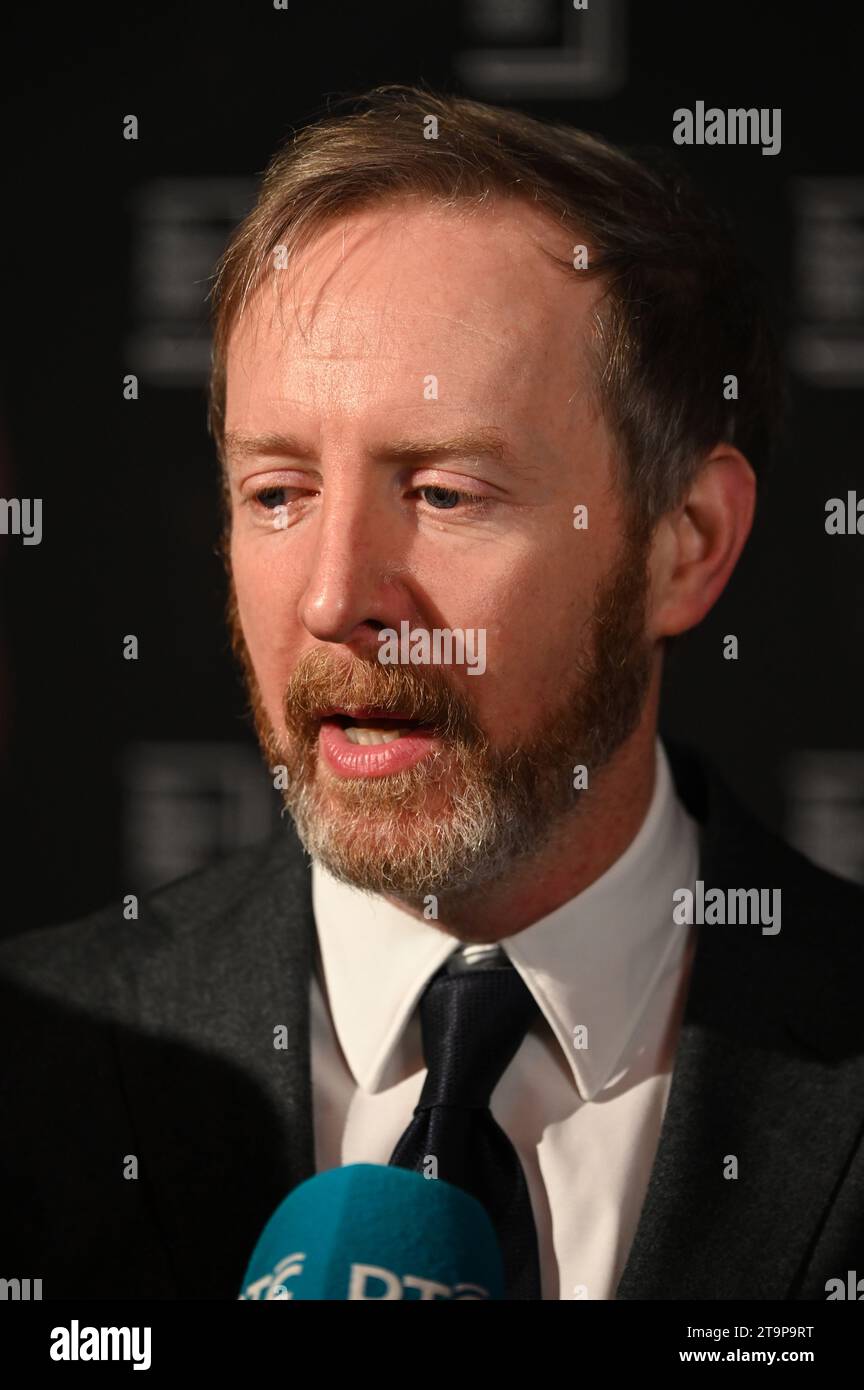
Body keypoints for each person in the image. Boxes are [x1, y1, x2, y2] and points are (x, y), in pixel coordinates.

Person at [2, 85, 862, 1301]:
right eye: (278, 493)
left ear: (686, 539)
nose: (335, 598)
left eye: (447, 492)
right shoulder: (33, 1062)